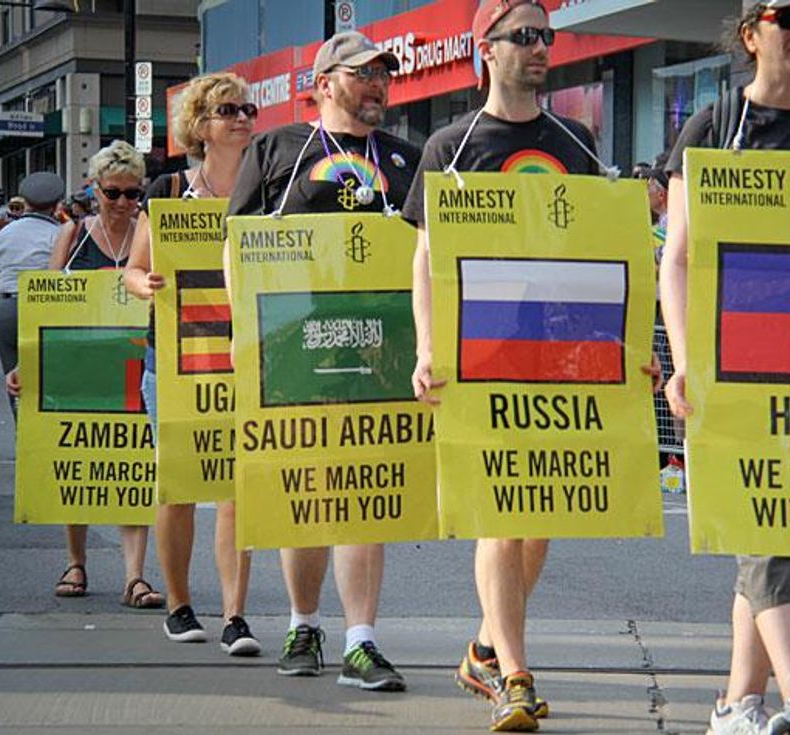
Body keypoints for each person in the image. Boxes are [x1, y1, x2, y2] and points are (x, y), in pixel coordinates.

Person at [403, 0, 623, 729]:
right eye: (523, 36)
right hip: (483, 351)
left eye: (546, 37)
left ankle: (484, 649)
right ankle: (516, 678)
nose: (539, 48)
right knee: (501, 509)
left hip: (559, 351)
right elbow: (426, 259)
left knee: (538, 514)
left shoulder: (576, 139)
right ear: (486, 50)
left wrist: (629, 351)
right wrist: (430, 348)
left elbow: (604, 248)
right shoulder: (450, 144)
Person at [659, 2, 790, 734]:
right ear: (751, 34)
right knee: (771, 524)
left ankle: (735, 703)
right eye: (789, 15)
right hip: (733, 363)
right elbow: (678, 259)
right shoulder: (714, 128)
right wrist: (685, 363)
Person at [226, 30, 420, 690]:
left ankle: (361, 640)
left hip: (380, 351)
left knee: (367, 493)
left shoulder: (404, 159)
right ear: (325, 83)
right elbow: (238, 250)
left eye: (383, 75)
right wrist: (246, 341)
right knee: (307, 491)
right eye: (362, 74)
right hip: (296, 350)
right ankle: (303, 623)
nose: (378, 84)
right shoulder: (278, 150)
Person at [124, 71, 260, 655]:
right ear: (200, 125)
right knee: (179, 486)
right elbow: (131, 270)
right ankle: (179, 606)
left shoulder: (266, 186)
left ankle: (235, 616)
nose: (243, 118)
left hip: (244, 357)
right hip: (176, 358)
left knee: (237, 490)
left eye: (248, 109)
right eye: (228, 110)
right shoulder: (169, 189)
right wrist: (143, 282)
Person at [46, 140, 165, 609]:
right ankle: (76, 561)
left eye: (133, 194)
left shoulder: (147, 232)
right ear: (94, 190)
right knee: (80, 461)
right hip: (80, 364)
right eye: (112, 193)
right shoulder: (72, 236)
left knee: (134, 465)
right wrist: (25, 368)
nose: (122, 203)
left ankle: (135, 576)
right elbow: (46, 306)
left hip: (135, 366)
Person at [0, 172, 65, 415]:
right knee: (50, 377)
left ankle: (22, 429)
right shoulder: (60, 235)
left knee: (14, 381)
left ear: (26, 202)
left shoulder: (2, 235)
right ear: (56, 205)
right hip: (47, 310)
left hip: (7, 309)